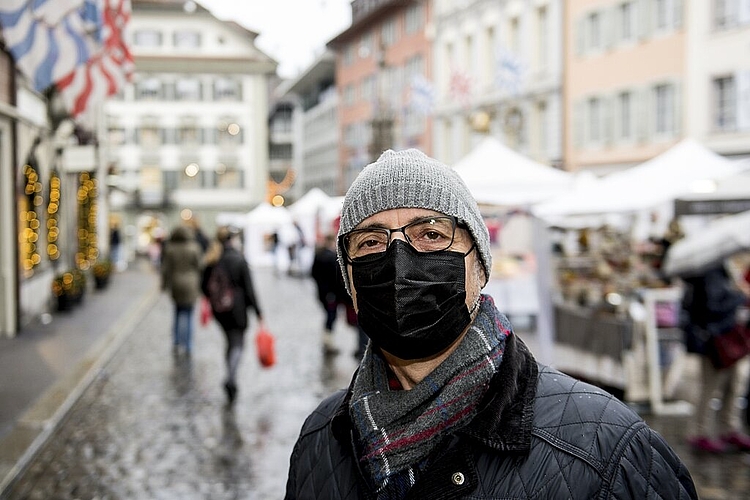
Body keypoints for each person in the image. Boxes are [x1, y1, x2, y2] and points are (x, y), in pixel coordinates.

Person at [285, 149, 697, 499]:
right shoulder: (321, 440)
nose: (399, 260)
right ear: (351, 284)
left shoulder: (607, 449)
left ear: (479, 266)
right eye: (371, 242)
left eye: (430, 233)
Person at [681, 262, 750, 453]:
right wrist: (739, 295)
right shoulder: (709, 272)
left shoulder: (719, 270)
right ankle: (699, 433)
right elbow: (714, 305)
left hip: (727, 336)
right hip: (716, 339)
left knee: (733, 385)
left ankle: (728, 428)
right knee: (711, 387)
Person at [202, 226, 264, 404]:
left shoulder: (213, 258)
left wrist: (214, 298)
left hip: (219, 310)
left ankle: (230, 373)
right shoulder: (238, 259)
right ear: (232, 240)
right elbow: (249, 289)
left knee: (230, 341)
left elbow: (203, 285)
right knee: (238, 344)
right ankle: (231, 378)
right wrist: (258, 312)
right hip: (238, 309)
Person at [161, 225, 203, 356]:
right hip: (191, 283)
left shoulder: (170, 249)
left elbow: (165, 269)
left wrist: (164, 285)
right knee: (189, 315)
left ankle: (176, 341)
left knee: (177, 313)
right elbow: (200, 266)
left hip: (176, 283)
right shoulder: (194, 247)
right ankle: (189, 345)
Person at [310, 233, 345, 355]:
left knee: (329, 316)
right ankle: (328, 342)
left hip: (322, 293)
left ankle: (327, 340)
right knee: (331, 317)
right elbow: (337, 279)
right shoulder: (331, 257)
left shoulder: (318, 255)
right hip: (331, 295)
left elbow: (312, 273)